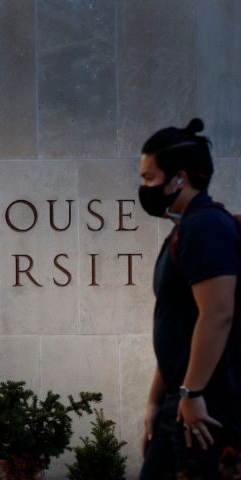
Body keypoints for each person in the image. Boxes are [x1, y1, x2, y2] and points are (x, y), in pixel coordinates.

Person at [138, 118, 241, 479]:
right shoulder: (186, 229)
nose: (144, 187)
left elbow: (217, 314)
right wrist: (156, 400)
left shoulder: (205, 227)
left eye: (149, 177)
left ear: (179, 177)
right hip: (181, 399)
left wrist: (194, 392)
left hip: (204, 403)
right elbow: (177, 325)